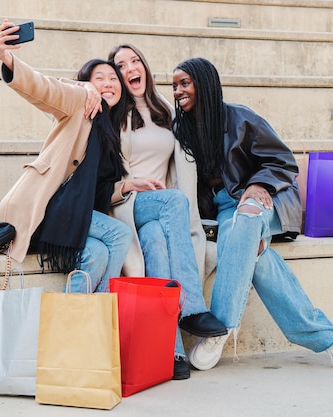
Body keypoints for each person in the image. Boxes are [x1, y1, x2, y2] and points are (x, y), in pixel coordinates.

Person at [171, 57, 333, 371]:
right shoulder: (181, 130)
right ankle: (329, 340)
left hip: (267, 197)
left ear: (205, 83)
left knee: (248, 219)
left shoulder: (240, 119)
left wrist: (259, 184)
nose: (178, 90)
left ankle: (219, 329)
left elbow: (283, 161)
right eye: (175, 85)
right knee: (257, 257)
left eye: (185, 83)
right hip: (226, 208)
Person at [106, 44, 227, 380]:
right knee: (175, 201)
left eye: (134, 60)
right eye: (121, 64)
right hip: (129, 204)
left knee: (156, 241)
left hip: (159, 216)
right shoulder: (114, 115)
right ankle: (190, 307)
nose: (130, 67)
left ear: (144, 66)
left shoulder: (167, 113)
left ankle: (170, 350)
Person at [0, 19, 132, 293]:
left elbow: (96, 186)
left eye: (114, 79)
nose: (108, 83)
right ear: (86, 83)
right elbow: (45, 88)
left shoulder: (111, 130)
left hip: (72, 214)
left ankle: (73, 332)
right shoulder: (81, 102)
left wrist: (127, 187)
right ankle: (102, 312)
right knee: (120, 234)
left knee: (97, 254)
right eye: (99, 78)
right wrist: (8, 60)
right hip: (48, 211)